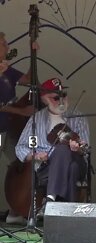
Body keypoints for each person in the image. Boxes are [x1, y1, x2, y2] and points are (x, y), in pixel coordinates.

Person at [15, 78, 89, 216]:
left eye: (63, 95)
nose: (61, 101)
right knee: (70, 169)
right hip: (47, 167)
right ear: (44, 99)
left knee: (62, 149)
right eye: (55, 97)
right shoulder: (36, 119)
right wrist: (35, 155)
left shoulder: (78, 117)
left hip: (77, 162)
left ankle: (50, 199)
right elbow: (20, 147)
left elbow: (85, 148)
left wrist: (77, 148)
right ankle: (70, 213)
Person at [0, 31, 36, 224]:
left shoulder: (8, 70)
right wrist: (21, 112)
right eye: (3, 43)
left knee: (19, 165)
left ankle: (16, 209)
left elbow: (29, 80)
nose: (6, 45)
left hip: (7, 129)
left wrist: (33, 54)